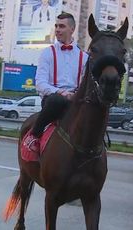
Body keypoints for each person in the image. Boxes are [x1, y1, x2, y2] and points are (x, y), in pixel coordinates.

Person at [26, 12, 88, 151]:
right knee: (57, 101)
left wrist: (76, 95)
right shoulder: (47, 53)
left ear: (72, 29)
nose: (58, 30)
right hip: (52, 100)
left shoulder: (84, 57)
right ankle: (34, 135)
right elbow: (40, 83)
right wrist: (61, 92)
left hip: (75, 100)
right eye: (56, 26)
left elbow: (84, 84)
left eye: (62, 26)